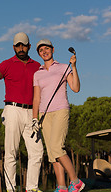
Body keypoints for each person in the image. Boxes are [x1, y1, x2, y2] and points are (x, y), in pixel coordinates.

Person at [0, 32, 44, 192]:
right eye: (18, 45)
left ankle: (32, 188)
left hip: (32, 113)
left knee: (38, 151)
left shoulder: (37, 66)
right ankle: (11, 189)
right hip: (12, 110)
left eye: (24, 45)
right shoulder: (6, 64)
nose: (21, 48)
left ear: (29, 46)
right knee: (11, 151)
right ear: (13, 47)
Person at [32, 39, 84, 192]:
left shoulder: (63, 67)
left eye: (47, 48)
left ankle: (76, 181)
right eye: (41, 50)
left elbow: (75, 88)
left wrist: (74, 67)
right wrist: (34, 118)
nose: (44, 52)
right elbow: (36, 98)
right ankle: (61, 186)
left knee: (57, 147)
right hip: (43, 114)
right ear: (39, 54)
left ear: (53, 49)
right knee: (52, 154)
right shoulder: (37, 73)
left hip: (61, 110)